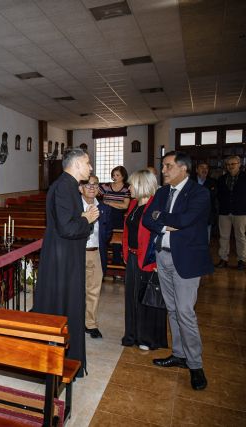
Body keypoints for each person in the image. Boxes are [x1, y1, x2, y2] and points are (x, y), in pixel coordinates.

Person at [143, 151, 213, 391]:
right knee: (171, 309)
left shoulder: (199, 193)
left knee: (185, 312)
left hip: (187, 260)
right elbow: (147, 219)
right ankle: (180, 354)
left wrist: (161, 218)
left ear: (184, 169)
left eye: (168, 166)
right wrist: (165, 224)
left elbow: (184, 220)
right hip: (163, 257)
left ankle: (195, 365)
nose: (163, 170)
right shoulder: (162, 192)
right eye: (163, 166)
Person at [33, 148, 99, 376]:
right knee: (63, 307)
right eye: (87, 163)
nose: (90, 167)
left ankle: (67, 362)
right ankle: (60, 363)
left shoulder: (69, 186)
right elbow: (67, 227)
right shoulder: (63, 187)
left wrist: (83, 219)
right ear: (77, 163)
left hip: (67, 255)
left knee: (67, 306)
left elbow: (68, 222)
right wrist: (87, 220)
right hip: (63, 260)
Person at [121, 169, 167, 351]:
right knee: (131, 297)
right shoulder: (133, 204)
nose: (128, 188)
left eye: (131, 184)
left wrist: (156, 262)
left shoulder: (155, 206)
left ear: (141, 185)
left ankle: (146, 338)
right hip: (133, 257)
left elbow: (158, 236)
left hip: (147, 259)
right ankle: (131, 334)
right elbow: (128, 231)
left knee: (146, 298)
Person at [80, 175, 111, 339]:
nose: (92, 187)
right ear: (80, 188)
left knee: (94, 290)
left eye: (95, 184)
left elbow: (107, 233)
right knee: (77, 290)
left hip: (96, 252)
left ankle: (90, 324)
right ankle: (74, 321)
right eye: (87, 184)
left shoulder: (105, 208)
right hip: (77, 253)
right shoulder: (74, 206)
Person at [215, 155, 246, 269]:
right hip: (224, 212)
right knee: (223, 237)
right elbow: (219, 195)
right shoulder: (222, 179)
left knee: (240, 237)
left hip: (241, 212)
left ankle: (242, 260)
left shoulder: (244, 177)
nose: (230, 166)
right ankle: (223, 259)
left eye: (233, 164)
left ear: (239, 164)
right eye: (228, 164)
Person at [99, 166, 131, 274]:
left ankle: (117, 262)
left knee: (117, 238)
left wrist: (109, 202)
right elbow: (94, 192)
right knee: (104, 236)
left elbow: (125, 206)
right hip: (106, 215)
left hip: (118, 216)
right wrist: (116, 204)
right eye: (113, 175)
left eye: (117, 175)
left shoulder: (126, 188)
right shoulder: (106, 186)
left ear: (123, 176)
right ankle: (102, 261)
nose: (114, 177)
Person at [195, 162, 217, 242]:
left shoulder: (213, 182)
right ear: (196, 170)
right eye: (202, 167)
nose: (204, 170)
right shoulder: (190, 182)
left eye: (206, 168)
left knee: (205, 240)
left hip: (207, 217)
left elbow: (215, 199)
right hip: (192, 217)